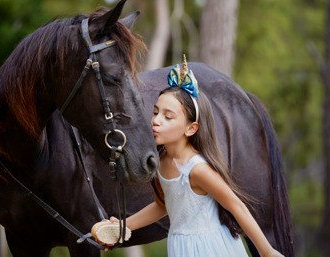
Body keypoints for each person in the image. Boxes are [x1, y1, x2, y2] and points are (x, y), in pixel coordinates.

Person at [93, 56, 285, 257]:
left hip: (210, 248)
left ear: (191, 128)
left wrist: (266, 251)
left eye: (168, 117)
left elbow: (236, 206)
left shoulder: (197, 170)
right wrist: (125, 226)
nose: (156, 121)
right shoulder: (162, 162)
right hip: (180, 248)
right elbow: (164, 205)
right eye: (156, 112)